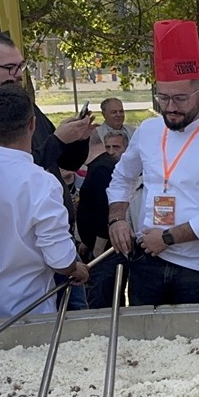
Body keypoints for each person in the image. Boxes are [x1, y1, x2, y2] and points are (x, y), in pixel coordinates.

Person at [106, 20, 199, 305]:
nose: (170, 107)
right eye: (163, 97)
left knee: (196, 346)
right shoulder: (147, 131)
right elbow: (122, 177)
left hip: (198, 269)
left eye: (180, 98)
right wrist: (117, 218)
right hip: (147, 259)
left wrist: (168, 238)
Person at [0, 86, 89, 319]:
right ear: (32, 124)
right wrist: (75, 269)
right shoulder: (42, 183)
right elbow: (59, 257)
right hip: (31, 308)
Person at [0, 31, 94, 214]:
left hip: (54, 219)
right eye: (10, 67)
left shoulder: (25, 105)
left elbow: (66, 162)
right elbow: (5, 174)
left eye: (21, 66)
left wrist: (78, 138)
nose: (18, 75)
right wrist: (58, 140)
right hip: (19, 228)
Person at [77, 131, 128, 309]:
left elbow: (103, 210)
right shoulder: (98, 166)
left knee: (101, 303)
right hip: (96, 246)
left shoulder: (101, 168)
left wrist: (98, 248)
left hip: (105, 253)